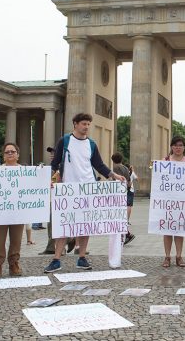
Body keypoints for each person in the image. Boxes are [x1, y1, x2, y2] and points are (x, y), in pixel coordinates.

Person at [43, 113, 126, 273]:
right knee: (63, 225)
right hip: (69, 190)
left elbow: (99, 165)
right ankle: (56, 259)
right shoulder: (65, 141)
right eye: (83, 124)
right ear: (75, 124)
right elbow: (55, 163)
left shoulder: (92, 144)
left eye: (88, 124)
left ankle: (81, 257)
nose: (86, 127)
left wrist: (114, 175)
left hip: (88, 189)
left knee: (85, 225)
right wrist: (49, 179)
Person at [0, 143, 25, 278]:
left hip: (18, 211)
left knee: (16, 239)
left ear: (17, 154)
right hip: (1, 211)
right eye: (7, 152)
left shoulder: (25, 171)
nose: (10, 154)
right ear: (3, 156)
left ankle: (14, 263)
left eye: (12, 151)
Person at [161, 136, 185, 268]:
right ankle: (167, 256)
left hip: (182, 201)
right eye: (175, 145)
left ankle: (179, 256)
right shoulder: (164, 161)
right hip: (167, 201)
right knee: (167, 230)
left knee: (179, 230)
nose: (178, 147)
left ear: (184, 147)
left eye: (181, 145)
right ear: (171, 146)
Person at [111, 152, 135, 245]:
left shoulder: (114, 168)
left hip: (116, 194)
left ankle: (126, 234)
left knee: (116, 216)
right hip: (124, 193)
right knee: (120, 215)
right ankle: (125, 234)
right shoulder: (125, 168)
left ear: (112, 160)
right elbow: (129, 182)